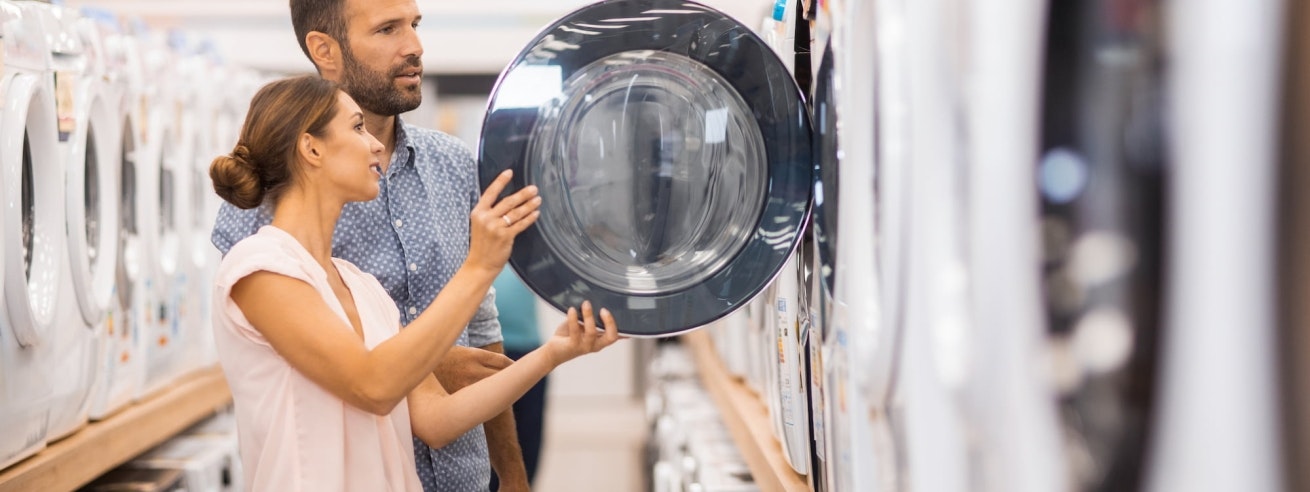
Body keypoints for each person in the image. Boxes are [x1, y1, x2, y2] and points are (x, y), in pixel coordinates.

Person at [209, 74, 621, 491]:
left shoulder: (362, 286)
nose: (374, 144)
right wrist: (478, 267)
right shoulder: (259, 267)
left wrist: (553, 353)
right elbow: (374, 385)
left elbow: (437, 420)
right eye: (356, 128)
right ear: (311, 147)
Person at [211, 0, 534, 490]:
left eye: (415, 25)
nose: (415, 47)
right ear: (325, 50)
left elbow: (481, 331)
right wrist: (436, 359)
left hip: (461, 475)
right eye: (387, 30)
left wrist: (509, 473)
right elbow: (280, 340)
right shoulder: (263, 213)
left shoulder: (450, 166)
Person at [487, 267, 546, 490]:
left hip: (525, 347)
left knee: (527, 445)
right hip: (481, 350)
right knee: (487, 445)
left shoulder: (529, 244)